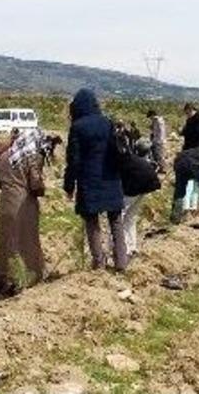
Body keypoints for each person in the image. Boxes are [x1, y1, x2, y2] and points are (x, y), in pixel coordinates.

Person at [63, 89, 127, 272]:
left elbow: (73, 160)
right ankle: (122, 262)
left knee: (92, 222)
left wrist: (69, 186)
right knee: (116, 221)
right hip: (111, 178)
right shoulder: (107, 122)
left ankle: (99, 263)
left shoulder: (77, 127)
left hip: (89, 181)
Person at [0, 131, 47, 291]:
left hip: (5, 203)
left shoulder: (4, 157)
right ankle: (27, 278)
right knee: (26, 241)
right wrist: (42, 189)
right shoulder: (30, 157)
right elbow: (35, 184)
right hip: (24, 204)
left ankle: (5, 278)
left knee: (7, 241)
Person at [120, 139, 161, 256]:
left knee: (119, 218)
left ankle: (121, 249)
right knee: (131, 218)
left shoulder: (128, 161)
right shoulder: (146, 164)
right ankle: (132, 247)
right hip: (143, 190)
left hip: (130, 192)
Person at [146, 109, 167, 173]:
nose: (150, 118)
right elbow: (155, 130)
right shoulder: (155, 121)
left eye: (150, 117)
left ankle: (163, 168)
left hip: (159, 141)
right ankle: (160, 167)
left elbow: (161, 132)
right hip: (156, 140)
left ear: (152, 115)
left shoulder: (159, 121)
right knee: (157, 155)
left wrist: (159, 141)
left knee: (160, 155)